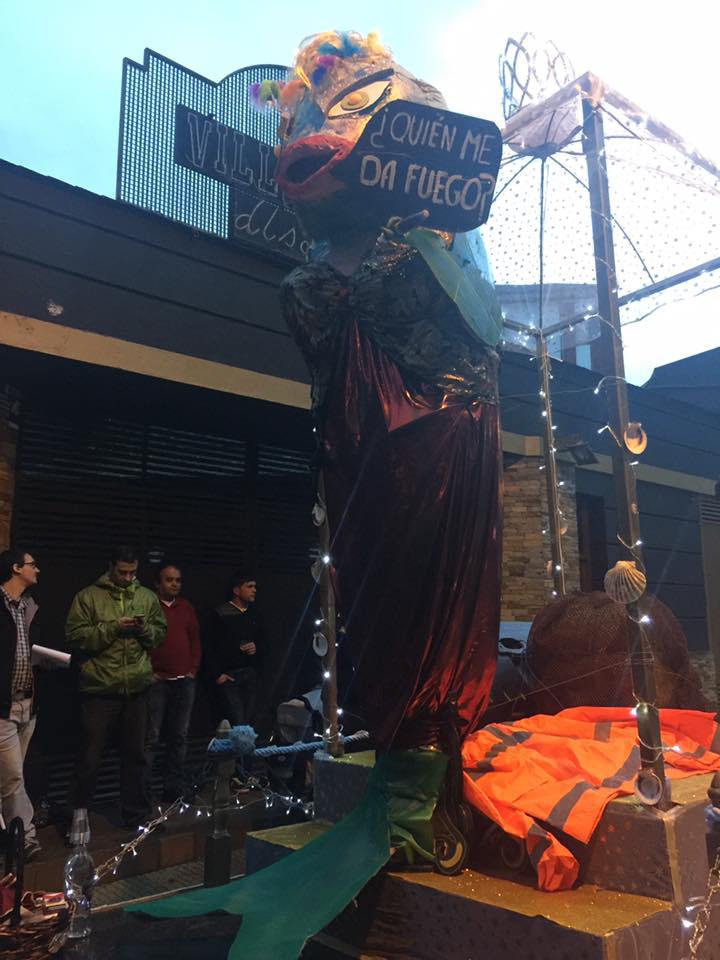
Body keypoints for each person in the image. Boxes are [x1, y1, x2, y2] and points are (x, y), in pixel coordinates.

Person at [65, 545, 166, 829]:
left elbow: (159, 635)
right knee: (89, 756)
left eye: (132, 572)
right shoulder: (88, 597)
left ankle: (136, 815)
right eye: (122, 571)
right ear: (110, 567)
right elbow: (75, 637)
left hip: (137, 689)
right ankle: (78, 815)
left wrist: (143, 629)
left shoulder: (146, 597)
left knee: (136, 756)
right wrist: (114, 627)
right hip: (99, 688)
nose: (127, 577)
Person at [146, 562, 201, 802]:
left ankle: (173, 788)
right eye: (169, 580)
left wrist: (192, 669)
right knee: (151, 737)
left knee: (179, 737)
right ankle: (145, 790)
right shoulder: (149, 605)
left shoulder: (186, 607)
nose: (174, 584)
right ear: (158, 583)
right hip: (157, 681)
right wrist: (148, 672)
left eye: (178, 580)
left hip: (184, 680)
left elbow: (195, 639)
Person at [0, 547, 42, 859]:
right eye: (31, 565)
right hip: (3, 707)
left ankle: (11, 836)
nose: (36, 569)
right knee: (12, 777)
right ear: (16, 568)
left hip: (27, 704)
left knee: (13, 777)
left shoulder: (28, 607)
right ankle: (24, 839)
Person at [205, 573, 263, 728]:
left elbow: (266, 643)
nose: (254, 590)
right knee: (236, 721)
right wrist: (217, 674)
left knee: (250, 722)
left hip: (250, 674)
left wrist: (256, 647)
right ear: (237, 590)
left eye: (255, 586)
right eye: (249, 586)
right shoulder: (220, 614)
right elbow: (209, 645)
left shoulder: (255, 614)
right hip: (230, 676)